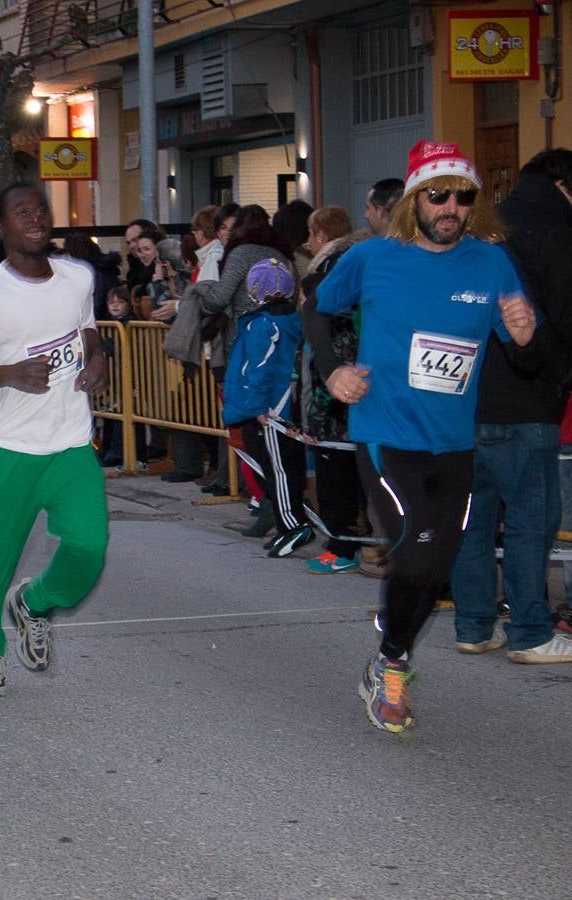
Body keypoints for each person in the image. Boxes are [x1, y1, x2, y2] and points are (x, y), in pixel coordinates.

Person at [312, 140, 537, 733]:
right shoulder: (373, 259)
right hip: (387, 432)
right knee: (414, 548)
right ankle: (391, 670)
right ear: (415, 200)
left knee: (436, 567)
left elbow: (522, 348)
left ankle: (391, 657)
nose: (451, 207)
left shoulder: (491, 263)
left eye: (464, 197)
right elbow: (313, 308)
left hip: (455, 442)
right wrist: (331, 369)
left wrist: (525, 331)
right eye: (439, 195)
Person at [0, 182, 109, 697]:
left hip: (70, 441)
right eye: (22, 213)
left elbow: (89, 330)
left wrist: (100, 357)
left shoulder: (77, 277)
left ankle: (35, 603)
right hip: (12, 448)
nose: (36, 218)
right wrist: (11, 373)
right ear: (2, 229)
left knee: (89, 546)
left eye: (41, 209)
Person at [449, 148, 572, 663]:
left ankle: (475, 624)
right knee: (529, 519)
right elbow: (565, 317)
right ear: (563, 184)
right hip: (528, 398)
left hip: (465, 397)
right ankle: (530, 631)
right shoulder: (557, 231)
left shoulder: (478, 230)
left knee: (473, 519)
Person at [222, 258, 313, 558]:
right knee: (283, 467)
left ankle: (293, 524)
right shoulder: (290, 320)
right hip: (280, 405)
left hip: (270, 409)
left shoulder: (264, 324)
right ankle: (292, 521)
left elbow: (260, 368)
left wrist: (259, 406)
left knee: (279, 469)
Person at [297, 204, 368, 573]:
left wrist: (317, 415)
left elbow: (330, 374)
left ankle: (344, 545)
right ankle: (352, 542)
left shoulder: (335, 268)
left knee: (339, 476)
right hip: (339, 402)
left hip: (338, 406)